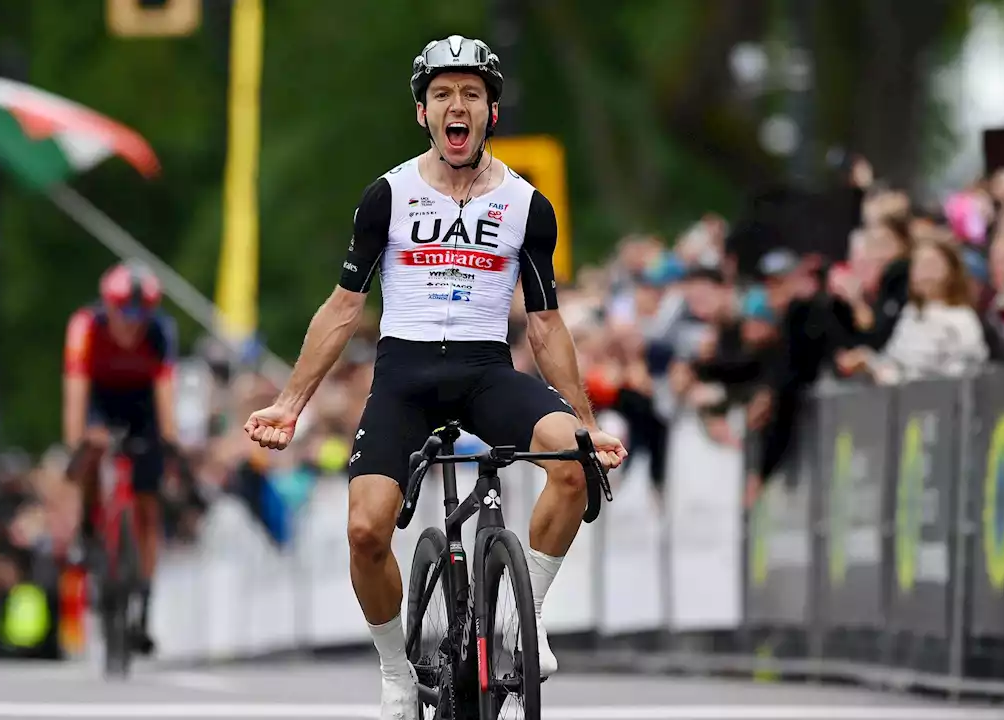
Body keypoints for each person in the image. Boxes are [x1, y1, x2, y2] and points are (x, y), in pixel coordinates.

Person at [242, 34, 626, 720]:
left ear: (490, 113)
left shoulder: (525, 205)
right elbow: (343, 307)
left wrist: (590, 424)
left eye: (471, 95)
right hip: (403, 376)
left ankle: (522, 620)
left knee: (572, 459)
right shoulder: (387, 196)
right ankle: (395, 669)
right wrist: (289, 404)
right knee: (365, 531)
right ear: (423, 112)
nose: (458, 107)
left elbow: (544, 325)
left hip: (485, 370)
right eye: (443, 95)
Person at [61, 260, 181, 656]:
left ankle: (142, 609)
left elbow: (166, 394)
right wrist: (77, 444)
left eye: (140, 313)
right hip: (100, 399)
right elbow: (76, 391)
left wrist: (169, 442)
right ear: (107, 306)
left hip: (142, 405)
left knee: (148, 505)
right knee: (91, 453)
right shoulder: (85, 327)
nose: (132, 322)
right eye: (123, 312)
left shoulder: (161, 332)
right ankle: (87, 528)